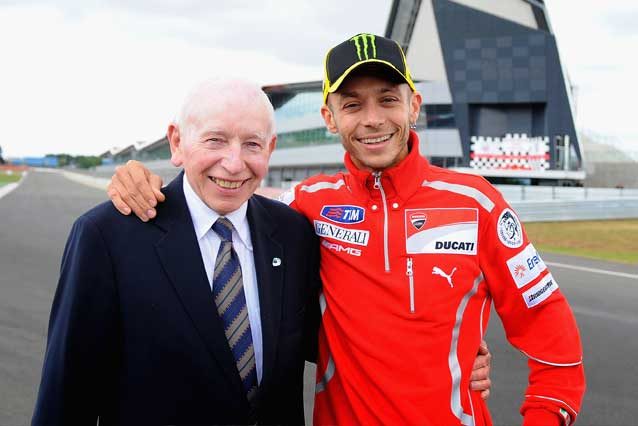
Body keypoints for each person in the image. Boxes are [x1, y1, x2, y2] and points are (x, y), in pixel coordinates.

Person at [105, 36, 555, 425]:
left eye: (388, 99)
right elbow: (220, 206)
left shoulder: (477, 203)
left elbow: (552, 336)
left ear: (413, 105)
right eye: (352, 105)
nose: (373, 119)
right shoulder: (302, 207)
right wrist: (142, 180)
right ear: (329, 117)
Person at [32, 79, 322, 425]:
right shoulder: (107, 235)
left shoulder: (293, 234)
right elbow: (66, 394)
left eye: (252, 144)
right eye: (215, 140)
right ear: (177, 142)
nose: (233, 163)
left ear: (270, 149)